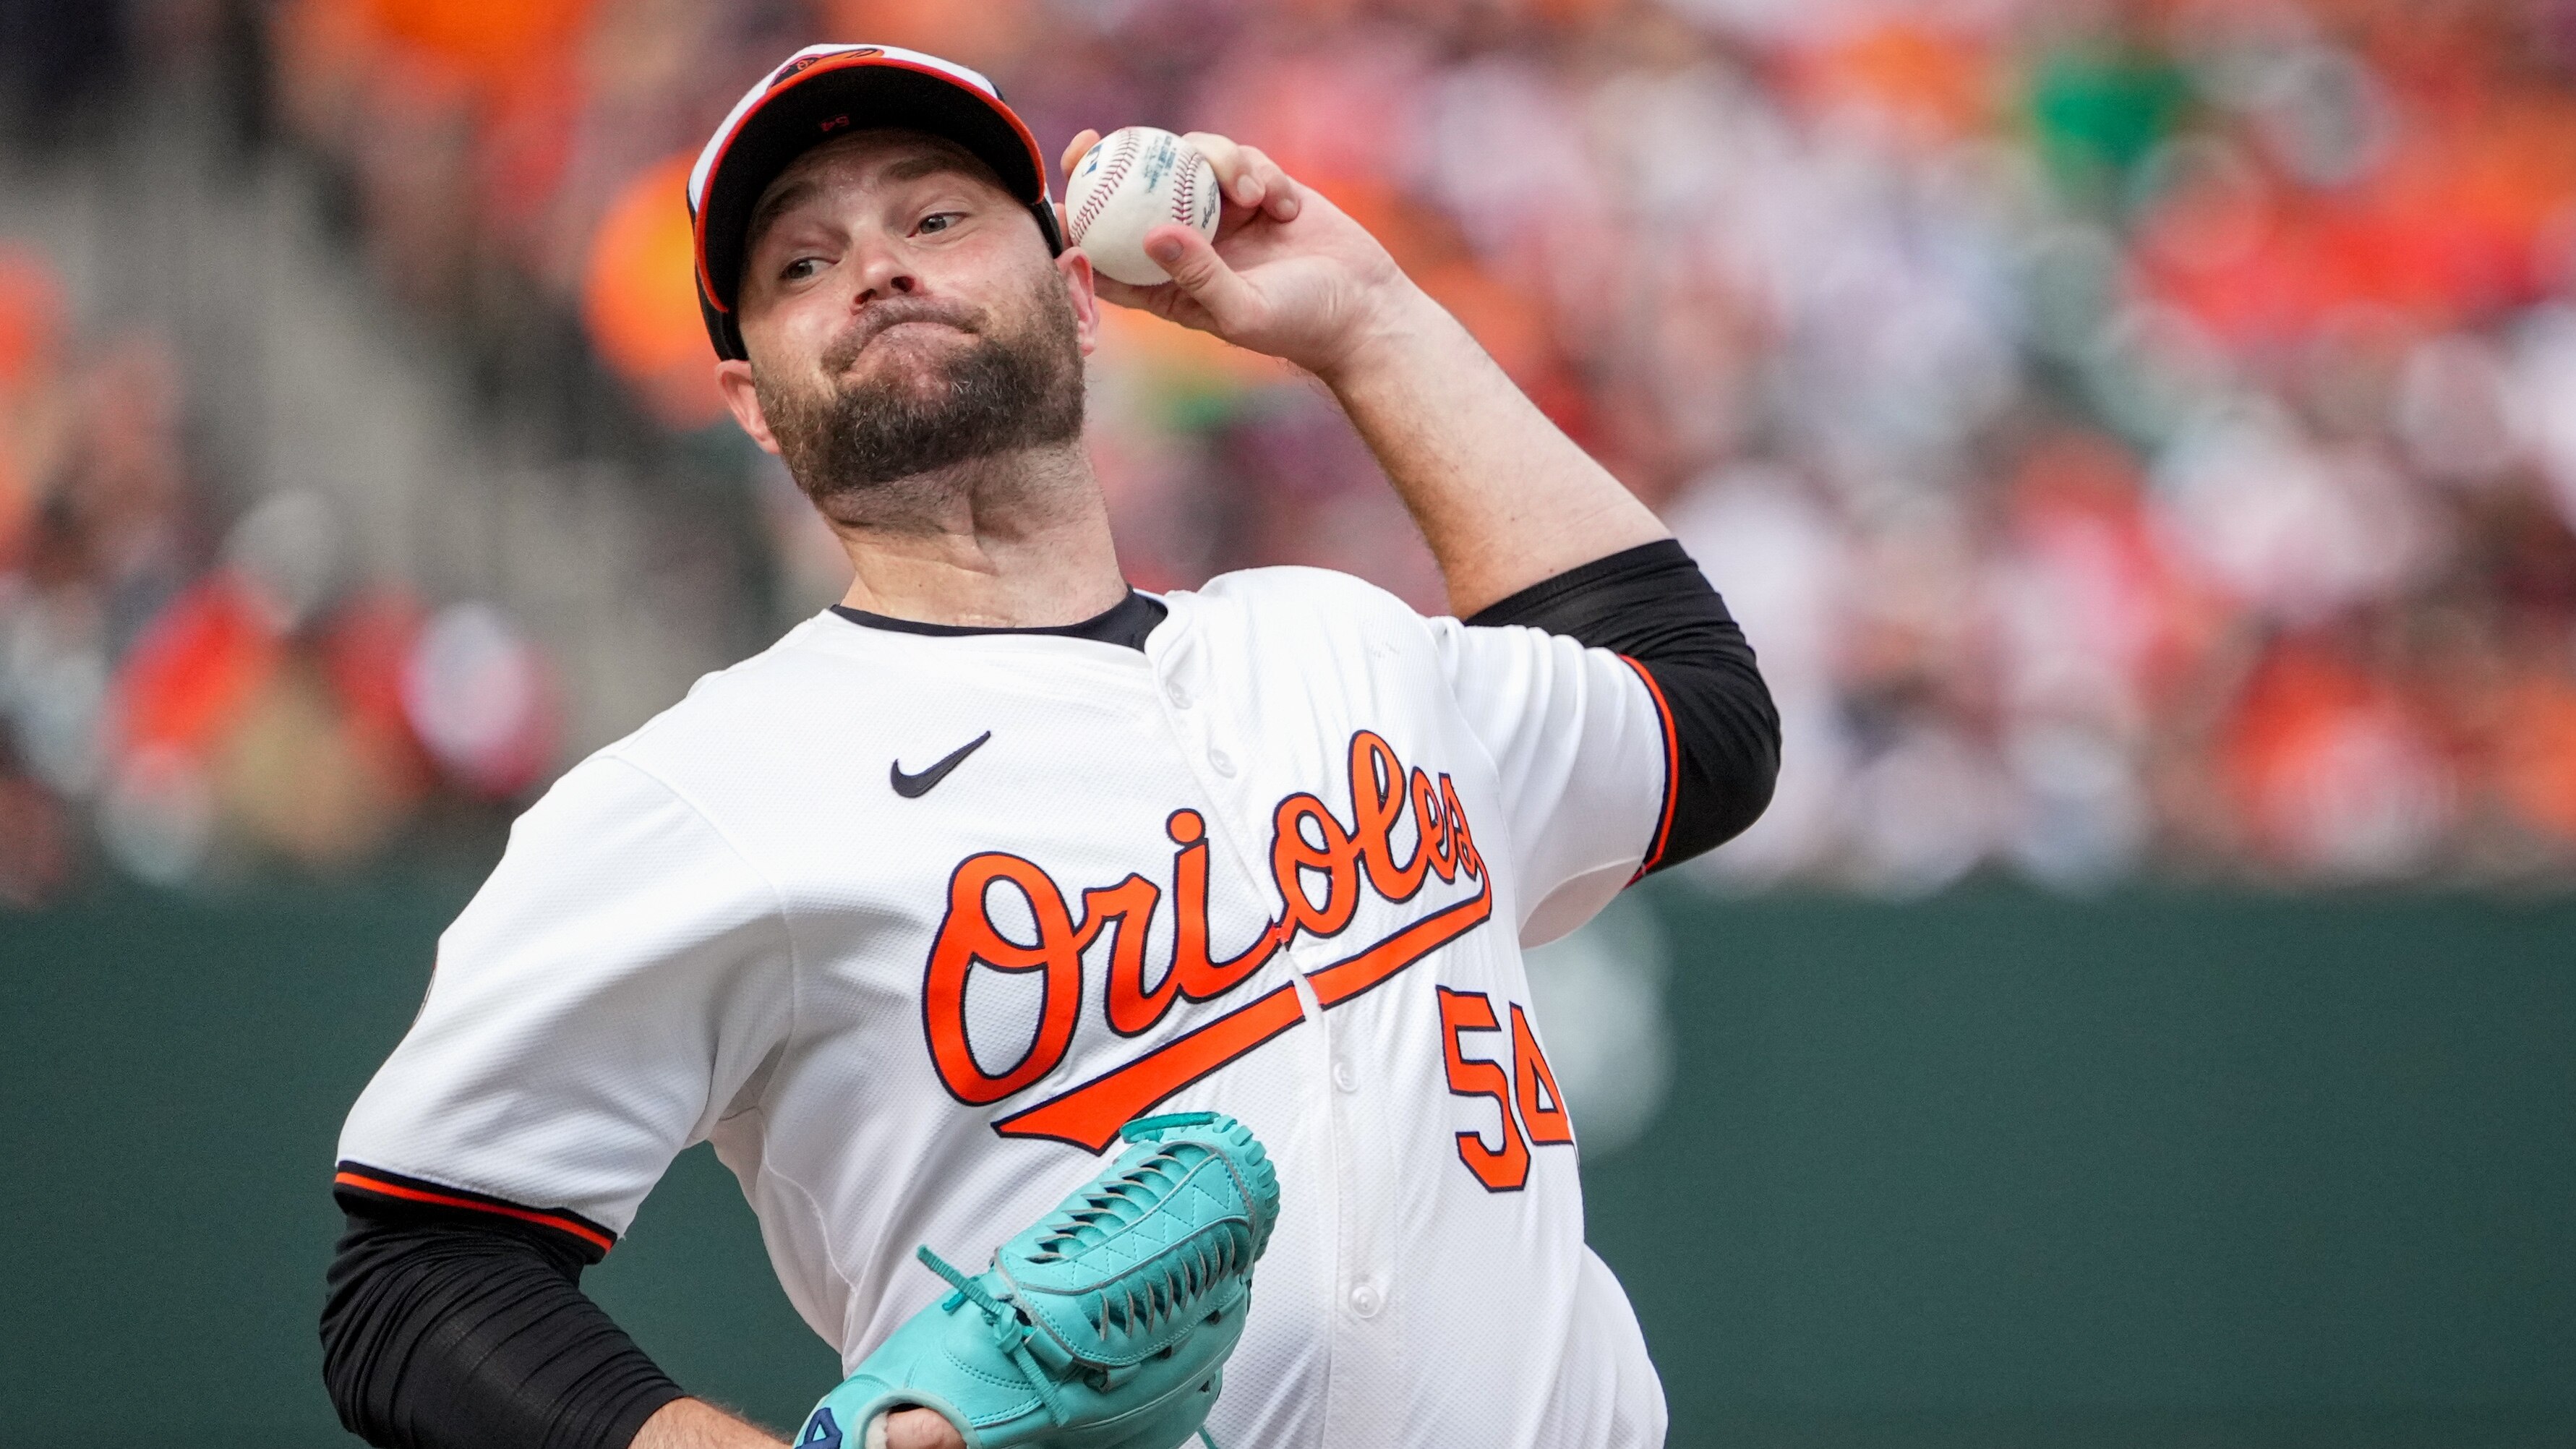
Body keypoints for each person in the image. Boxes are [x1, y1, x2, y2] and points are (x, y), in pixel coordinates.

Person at [321, 42, 1776, 1449]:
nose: (879, 265)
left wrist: (1368, 322)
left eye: (939, 217)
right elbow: (416, 1282)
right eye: (801, 264)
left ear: (1081, 296)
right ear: (754, 406)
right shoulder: (708, 792)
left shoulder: (1346, 647)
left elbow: (1700, 719)